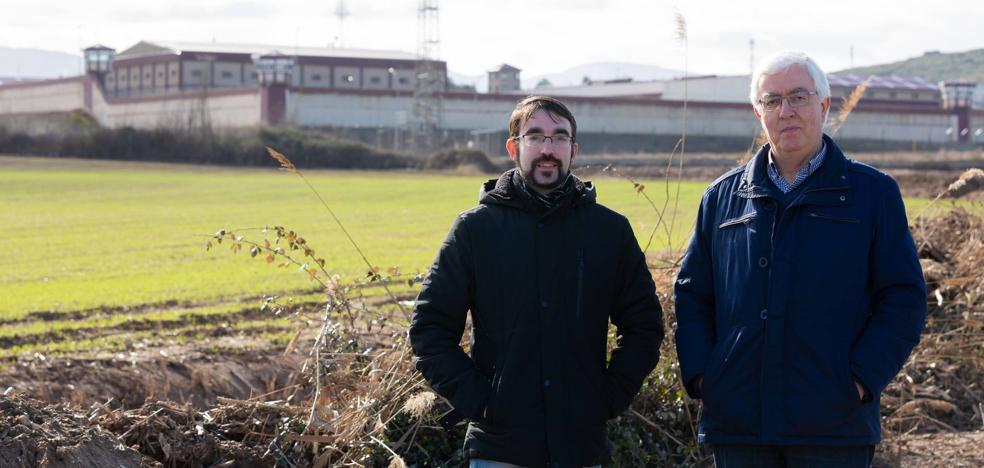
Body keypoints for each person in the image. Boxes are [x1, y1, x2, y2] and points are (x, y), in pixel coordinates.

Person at [674, 51, 927, 467]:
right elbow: (692, 294)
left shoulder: (872, 194)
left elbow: (903, 299)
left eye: (798, 97)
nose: (786, 111)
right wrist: (706, 376)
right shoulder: (722, 198)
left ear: (824, 105)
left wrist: (860, 380)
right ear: (759, 113)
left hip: (833, 425)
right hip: (740, 424)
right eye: (772, 101)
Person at [409, 95, 664, 467]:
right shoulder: (475, 230)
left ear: (573, 149)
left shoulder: (609, 231)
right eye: (535, 136)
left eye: (559, 137)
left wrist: (607, 397)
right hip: (500, 449)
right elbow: (429, 330)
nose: (548, 148)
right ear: (514, 147)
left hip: (582, 447)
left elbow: (644, 326)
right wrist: (482, 400)